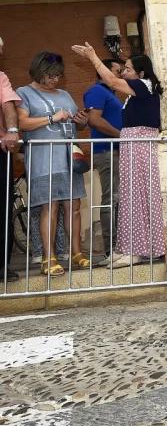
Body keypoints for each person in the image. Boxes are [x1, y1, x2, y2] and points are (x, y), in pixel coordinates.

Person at [72, 43, 166, 267]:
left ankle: (140, 249)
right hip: (133, 145)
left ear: (140, 73)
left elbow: (112, 81)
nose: (123, 73)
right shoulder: (136, 93)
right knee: (131, 198)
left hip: (139, 145)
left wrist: (94, 58)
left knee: (139, 197)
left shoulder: (144, 85)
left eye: (128, 69)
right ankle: (129, 247)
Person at [16, 51, 91, 276]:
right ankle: (49, 258)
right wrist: (51, 118)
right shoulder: (24, 93)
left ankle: (76, 253)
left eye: (59, 75)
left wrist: (81, 121)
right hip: (43, 159)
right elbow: (22, 123)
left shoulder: (65, 94)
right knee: (51, 206)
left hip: (69, 158)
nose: (55, 79)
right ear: (38, 72)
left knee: (74, 207)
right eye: (50, 75)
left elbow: (77, 125)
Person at [83, 59, 123, 265]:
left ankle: (118, 247)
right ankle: (111, 249)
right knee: (111, 198)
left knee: (117, 198)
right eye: (117, 71)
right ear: (104, 71)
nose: (120, 74)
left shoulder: (111, 93)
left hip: (115, 150)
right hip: (107, 151)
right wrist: (121, 136)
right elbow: (94, 120)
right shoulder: (97, 91)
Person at [0, 37, 21, 282]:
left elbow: (8, 105)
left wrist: (12, 131)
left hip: (0, 149)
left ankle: (1, 266)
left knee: (4, 210)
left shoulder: (1, 77)